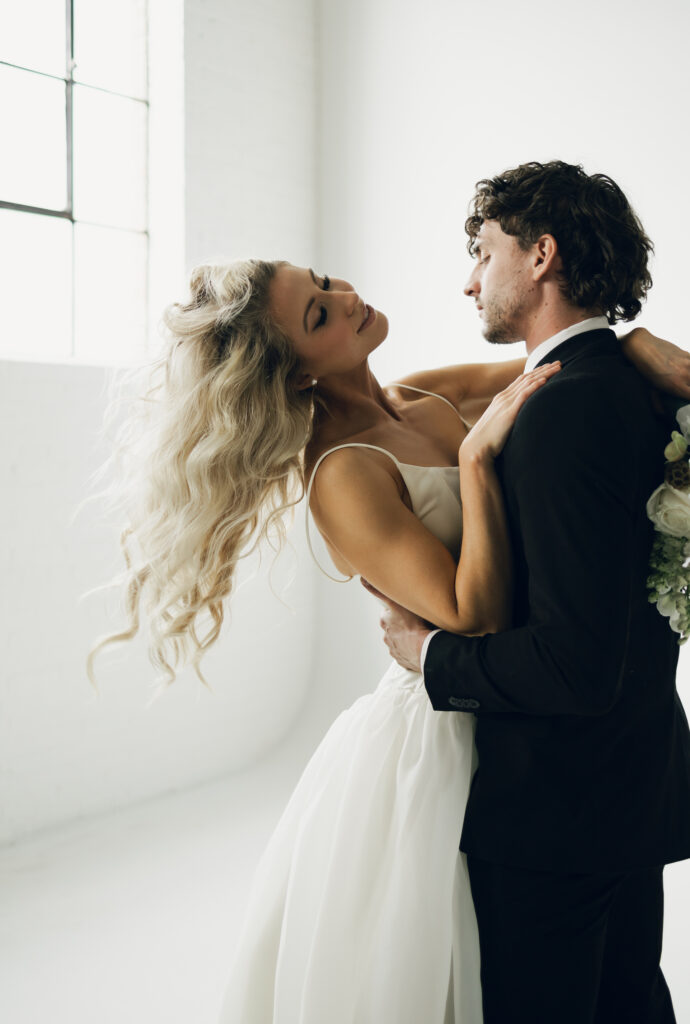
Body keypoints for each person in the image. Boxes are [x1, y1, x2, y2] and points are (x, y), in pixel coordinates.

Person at [87, 242, 689, 1020]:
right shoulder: (341, 474)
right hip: (447, 734)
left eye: (327, 283)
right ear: (295, 370)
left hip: (537, 708)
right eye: (317, 314)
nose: (346, 300)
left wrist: (636, 342)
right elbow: (475, 614)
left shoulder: (424, 398)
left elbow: (558, 366)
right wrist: (475, 464)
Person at [375, 160, 690, 1023]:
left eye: (484, 251)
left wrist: (432, 655)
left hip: (556, 809)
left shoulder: (559, 412)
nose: (469, 278)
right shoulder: (644, 387)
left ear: (541, 254)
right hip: (633, 783)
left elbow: (573, 665)